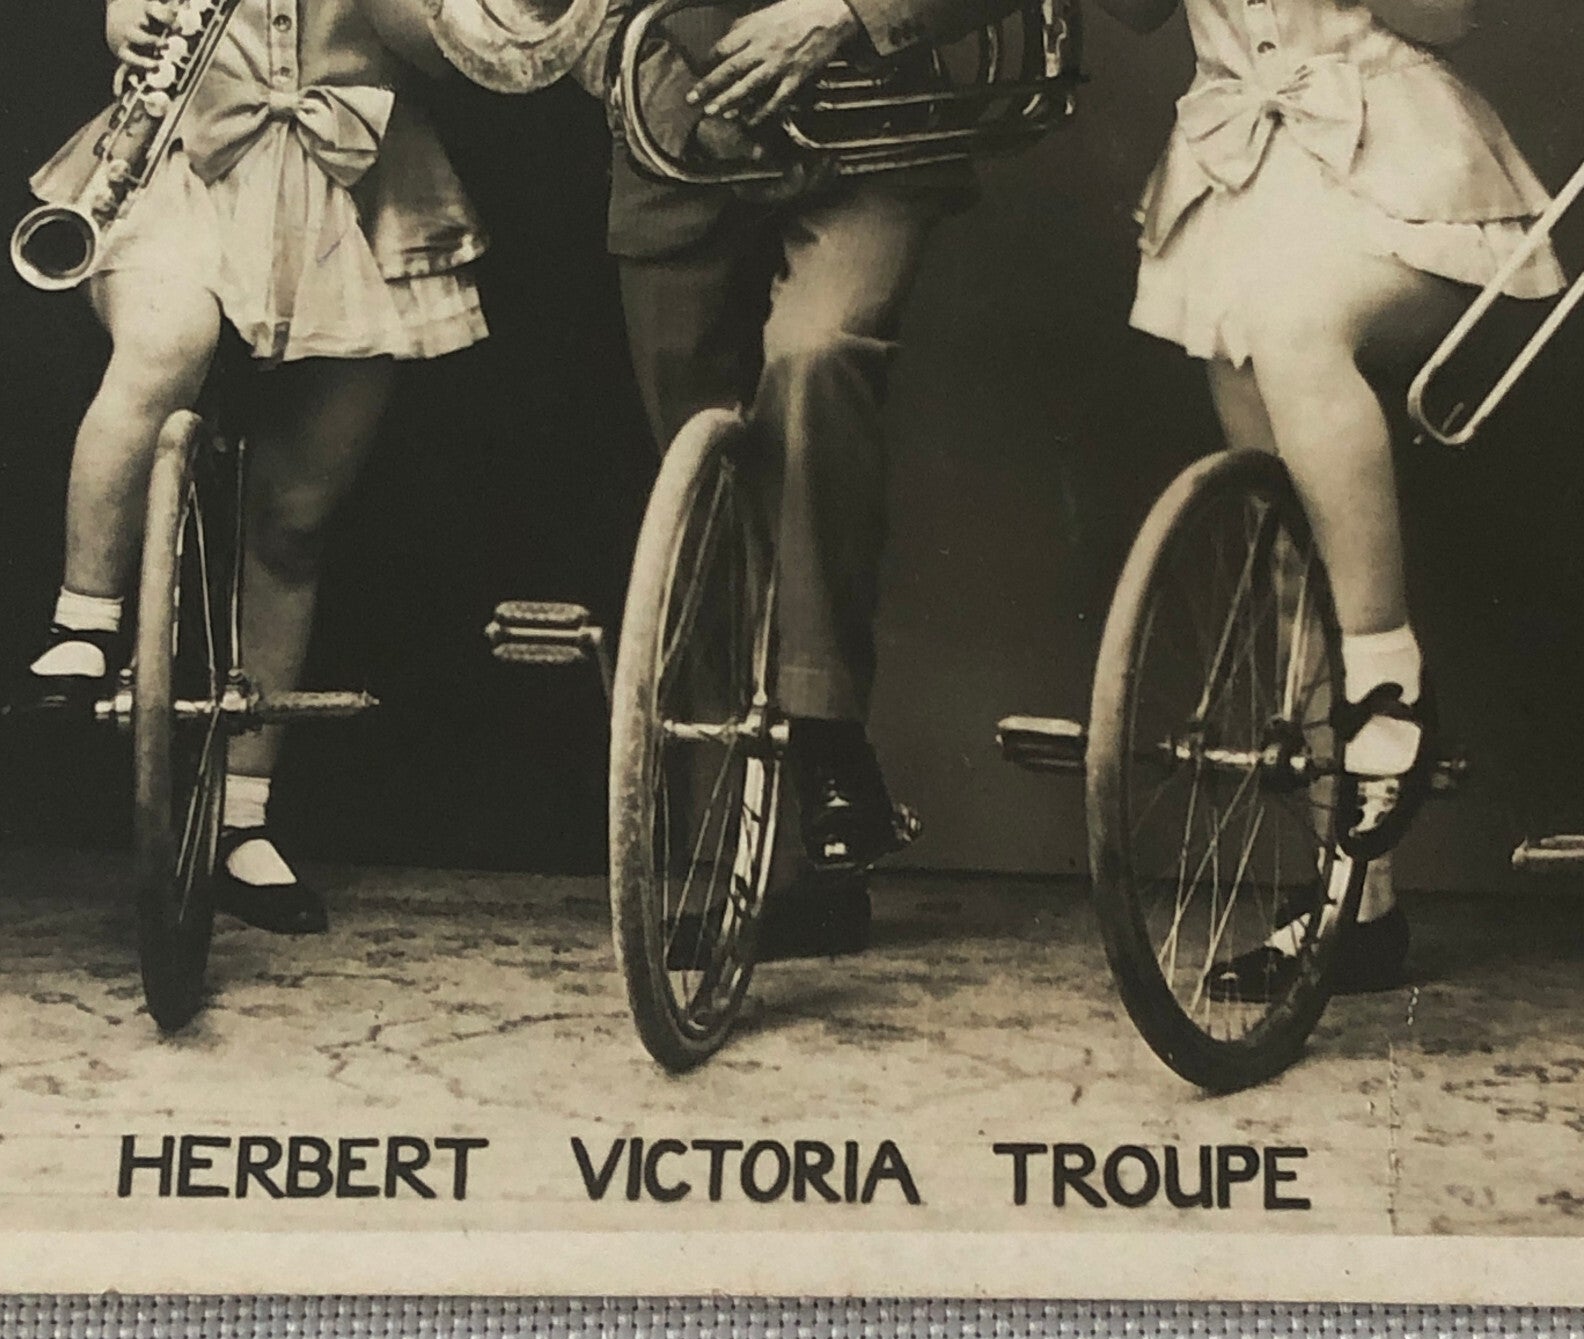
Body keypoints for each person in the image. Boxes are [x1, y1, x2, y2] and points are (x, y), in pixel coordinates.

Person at [1106, 0, 1563, 996]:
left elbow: (1452, 15)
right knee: (1292, 551)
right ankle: (1356, 904)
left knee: (1294, 324)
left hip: (1398, 169)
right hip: (1241, 178)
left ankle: (1390, 681)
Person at [19, 0, 488, 933]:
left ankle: (242, 818)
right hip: (178, 169)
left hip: (361, 191)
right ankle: (85, 618)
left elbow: (465, 50)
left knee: (295, 519)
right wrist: (129, 19)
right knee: (168, 342)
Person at [574, 0, 1024, 952]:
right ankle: (761, 867)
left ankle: (822, 738)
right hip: (677, 139)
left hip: (872, 127)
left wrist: (848, 13)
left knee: (817, 357)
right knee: (700, 502)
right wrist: (605, 50)